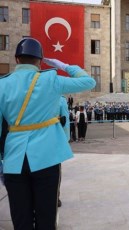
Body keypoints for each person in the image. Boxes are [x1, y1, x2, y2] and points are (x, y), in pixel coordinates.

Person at [0, 37, 95, 229]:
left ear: (17, 59)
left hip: (14, 158)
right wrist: (66, 65)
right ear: (40, 60)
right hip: (46, 156)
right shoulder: (50, 79)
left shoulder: (2, 84)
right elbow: (89, 82)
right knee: (46, 217)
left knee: (21, 219)